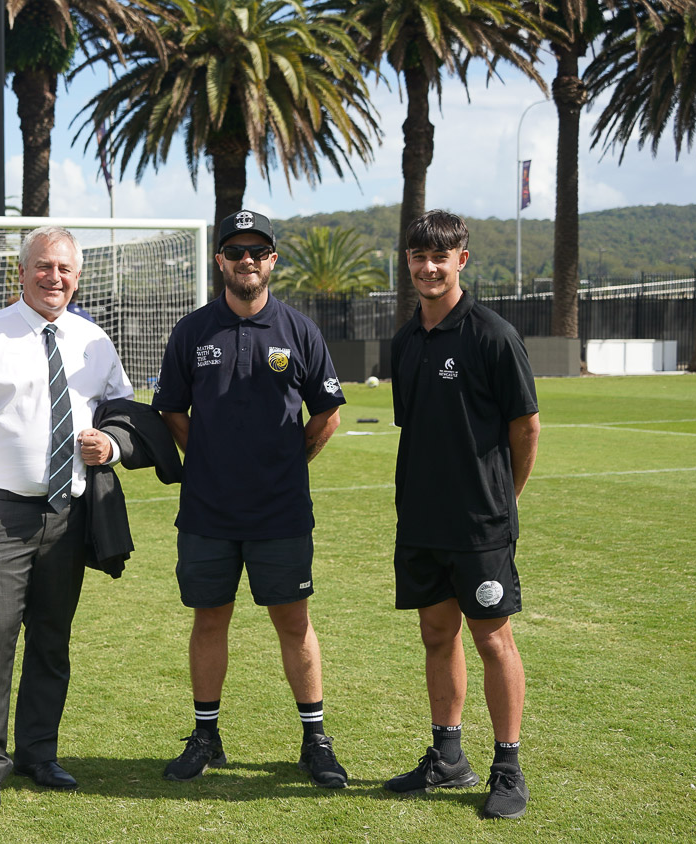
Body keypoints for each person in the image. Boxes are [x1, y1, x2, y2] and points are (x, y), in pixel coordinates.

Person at [0, 226, 134, 813]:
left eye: (66, 270)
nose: (55, 278)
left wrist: (114, 445)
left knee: (53, 638)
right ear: (20, 272)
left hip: (67, 513)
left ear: (78, 276)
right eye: (43, 267)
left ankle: (39, 753)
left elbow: (123, 414)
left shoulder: (95, 341)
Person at [151, 209, 348, 788]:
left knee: (294, 621)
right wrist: (212, 461)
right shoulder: (191, 330)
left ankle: (315, 740)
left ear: (272, 262)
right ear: (220, 261)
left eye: (257, 252)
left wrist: (286, 464)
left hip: (281, 511)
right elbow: (172, 412)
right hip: (208, 510)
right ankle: (206, 736)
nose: (246, 261)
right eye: (235, 252)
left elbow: (327, 414)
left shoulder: (300, 331)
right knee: (209, 619)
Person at [385, 209, 540, 820]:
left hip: (480, 525)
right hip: (421, 521)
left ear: (461, 262)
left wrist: (506, 499)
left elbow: (525, 427)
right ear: (409, 263)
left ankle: (507, 765)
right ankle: (447, 758)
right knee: (435, 634)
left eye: (439, 257)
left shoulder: (493, 335)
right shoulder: (405, 341)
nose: (428, 268)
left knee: (492, 638)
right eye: (419, 257)